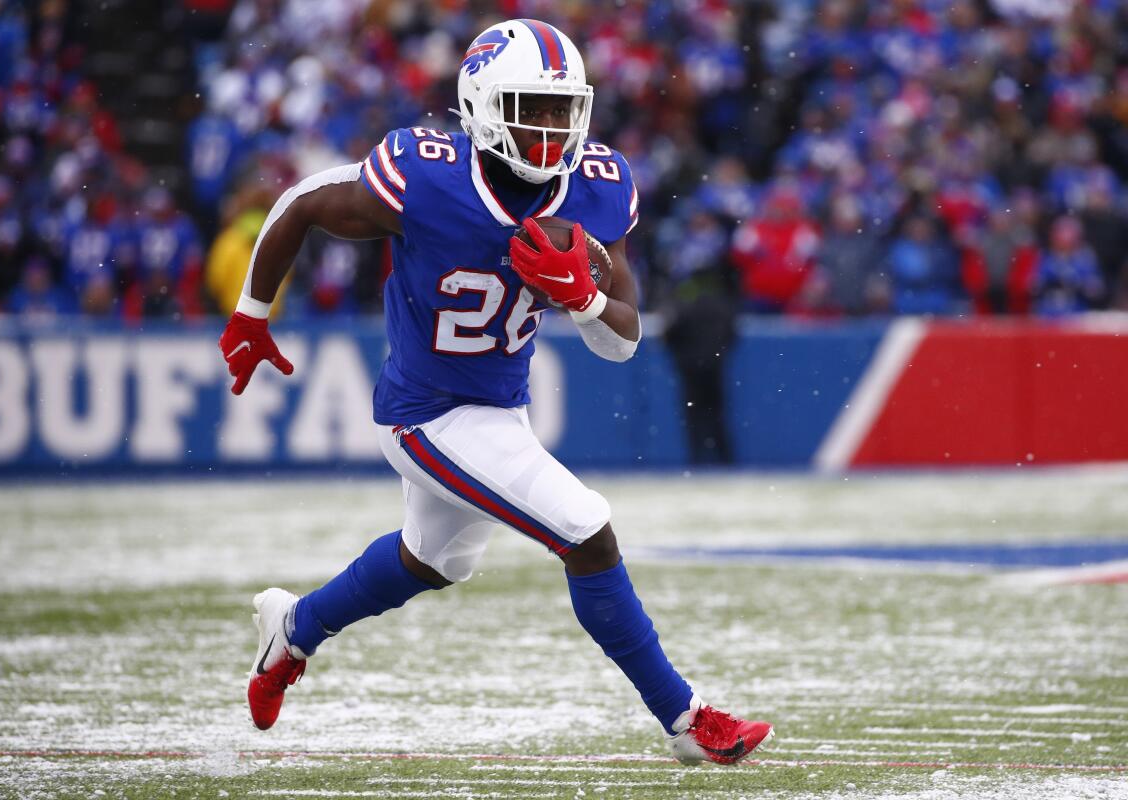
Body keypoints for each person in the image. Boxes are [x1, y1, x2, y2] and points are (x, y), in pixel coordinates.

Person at [218, 19, 773, 766]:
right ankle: (687, 721)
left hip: (498, 408)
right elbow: (305, 201)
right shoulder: (429, 176)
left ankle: (294, 628)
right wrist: (253, 311)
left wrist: (582, 297)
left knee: (432, 560)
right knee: (585, 528)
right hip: (423, 414)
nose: (549, 128)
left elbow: (624, 338)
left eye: (560, 109)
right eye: (529, 107)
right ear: (480, 105)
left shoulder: (597, 187)